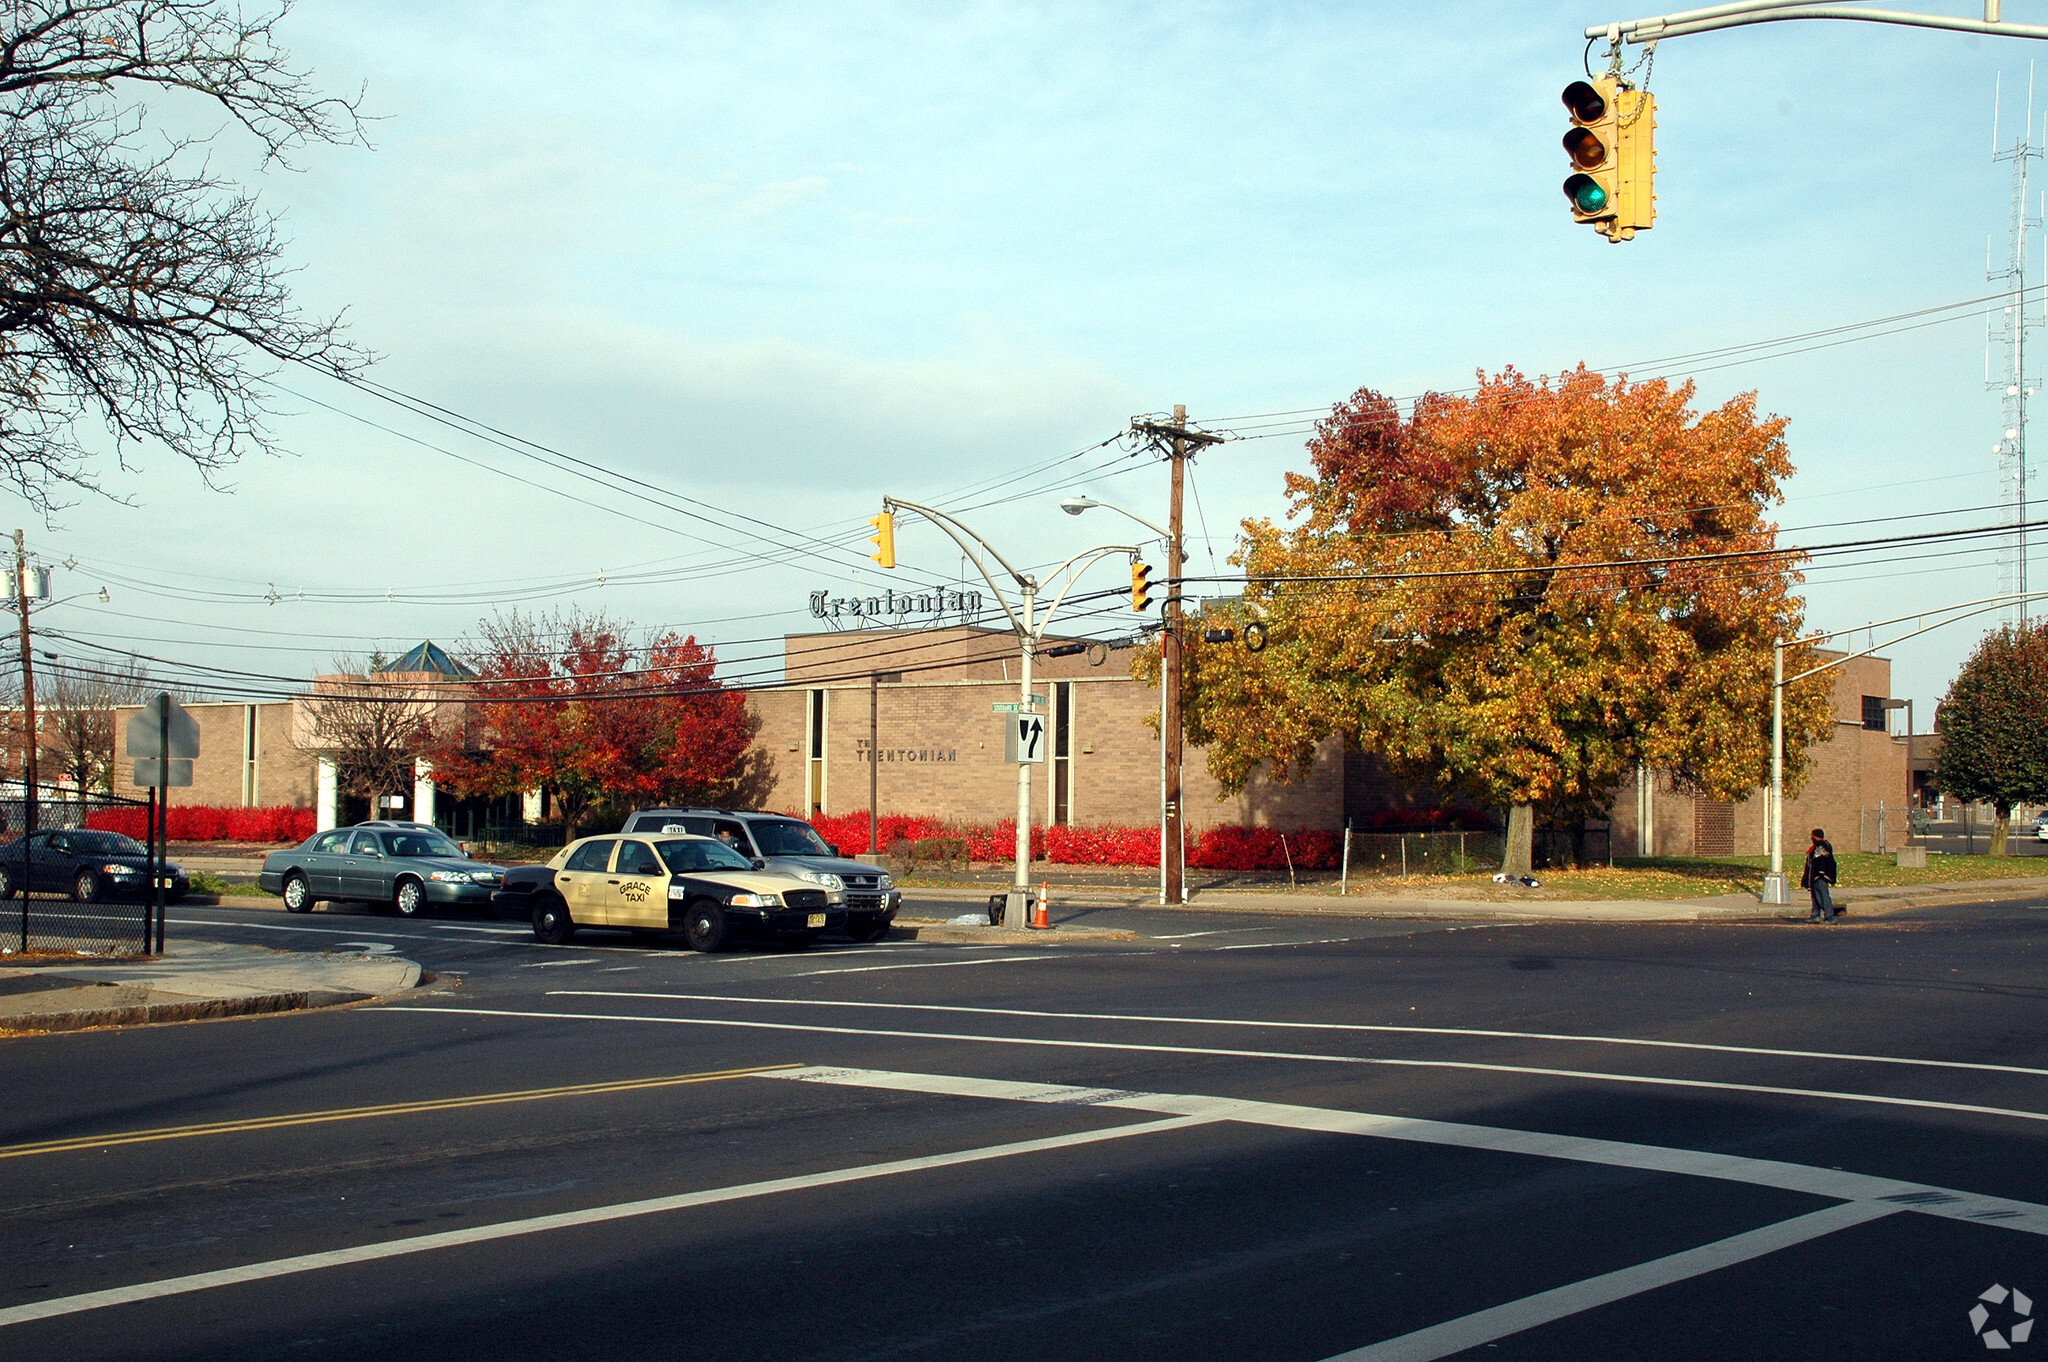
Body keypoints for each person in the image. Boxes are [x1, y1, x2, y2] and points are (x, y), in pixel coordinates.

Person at [1800, 827, 1837, 923]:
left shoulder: (1822, 846)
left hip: (1819, 877)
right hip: (1813, 877)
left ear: (1816, 836)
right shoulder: (1816, 847)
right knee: (1815, 896)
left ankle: (1830, 917)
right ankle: (1815, 915)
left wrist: (1820, 874)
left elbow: (1821, 861)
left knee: (1823, 896)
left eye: (1812, 836)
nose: (1811, 837)